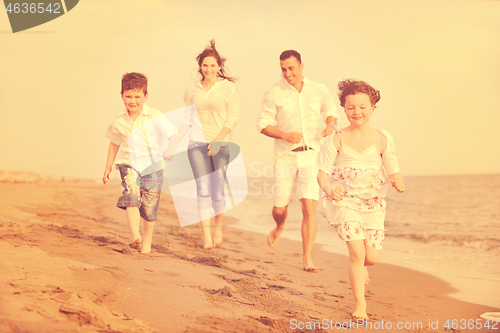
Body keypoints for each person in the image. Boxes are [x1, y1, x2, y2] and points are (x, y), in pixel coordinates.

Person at [317, 79, 405, 320]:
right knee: (356, 253)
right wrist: (329, 188)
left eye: (362, 106)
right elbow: (322, 174)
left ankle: (363, 266)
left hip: (373, 204)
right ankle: (360, 305)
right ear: (343, 108)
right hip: (345, 202)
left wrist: (397, 180)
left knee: (370, 258)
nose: (357, 112)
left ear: (373, 108)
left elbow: (392, 167)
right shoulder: (335, 139)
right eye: (351, 107)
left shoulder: (382, 138)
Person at [256, 50, 339, 272]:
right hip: (285, 155)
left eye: (291, 68)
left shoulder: (319, 90)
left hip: (312, 154)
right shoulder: (274, 92)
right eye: (283, 69)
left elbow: (330, 110)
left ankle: (307, 258)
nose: (287, 73)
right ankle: (280, 225)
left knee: (308, 204)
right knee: (279, 207)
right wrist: (284, 135)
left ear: (301, 66)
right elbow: (262, 124)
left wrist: (329, 124)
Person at [103, 72, 177, 254]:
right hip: (128, 164)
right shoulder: (119, 121)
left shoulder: (154, 116)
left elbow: (173, 135)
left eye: (137, 96)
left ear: (146, 96)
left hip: (153, 166)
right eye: (128, 96)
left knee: (149, 208)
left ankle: (147, 240)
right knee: (132, 196)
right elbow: (114, 143)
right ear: (121, 95)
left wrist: (171, 149)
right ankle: (136, 236)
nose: (133, 100)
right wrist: (108, 166)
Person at [174, 40, 239, 249]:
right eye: (205, 65)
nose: (209, 69)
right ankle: (206, 236)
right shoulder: (191, 89)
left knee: (218, 191)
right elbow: (187, 116)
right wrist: (175, 140)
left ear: (219, 66)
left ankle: (217, 228)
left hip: (221, 145)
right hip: (196, 144)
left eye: (213, 65)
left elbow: (233, 118)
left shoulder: (229, 88)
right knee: (202, 189)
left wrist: (218, 140)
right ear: (200, 67)